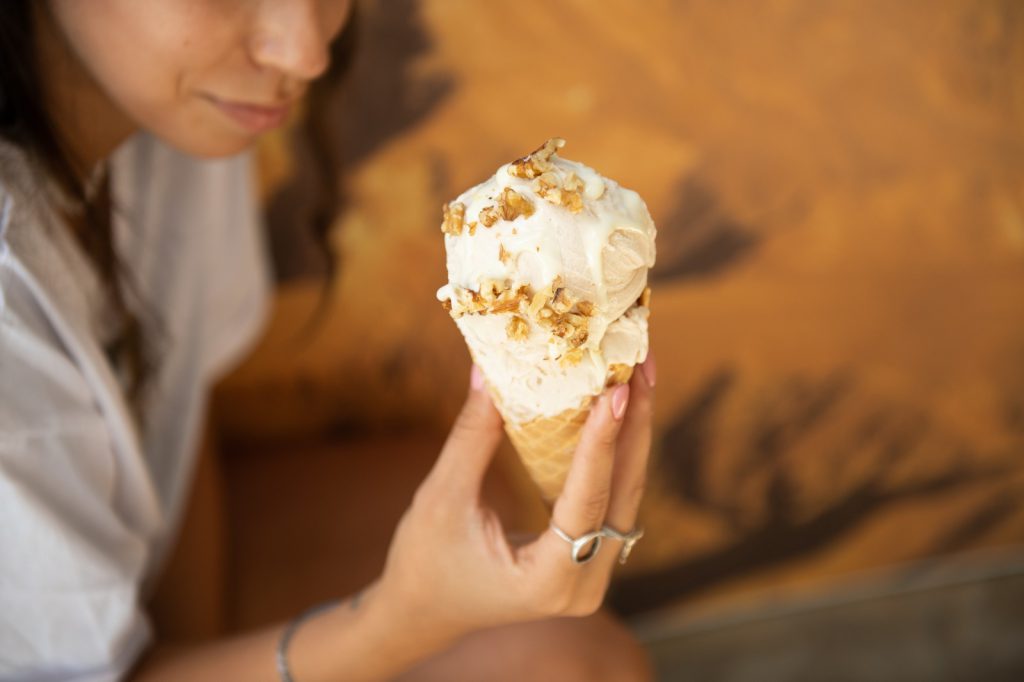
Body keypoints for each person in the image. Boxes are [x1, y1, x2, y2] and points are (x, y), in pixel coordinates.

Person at [0, 1, 657, 680]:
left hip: (136, 564)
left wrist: (194, 644)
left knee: (492, 519)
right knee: (573, 666)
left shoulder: (180, 112)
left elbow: (175, 406)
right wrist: (399, 620)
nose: (307, 53)